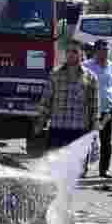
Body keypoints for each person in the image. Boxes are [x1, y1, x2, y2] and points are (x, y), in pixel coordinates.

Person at [34, 40, 100, 172]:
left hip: (79, 130)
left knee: (75, 169)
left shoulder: (91, 77)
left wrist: (94, 127)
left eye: (74, 51)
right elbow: (46, 102)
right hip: (57, 128)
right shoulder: (55, 74)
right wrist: (40, 123)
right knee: (53, 167)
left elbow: (94, 105)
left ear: (81, 54)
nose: (70, 54)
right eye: (68, 51)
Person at [84, 40, 112, 179]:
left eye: (106, 50)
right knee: (87, 140)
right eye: (101, 50)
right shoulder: (86, 66)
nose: (104, 52)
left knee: (106, 141)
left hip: (107, 110)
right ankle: (82, 169)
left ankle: (104, 170)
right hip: (90, 109)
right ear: (95, 51)